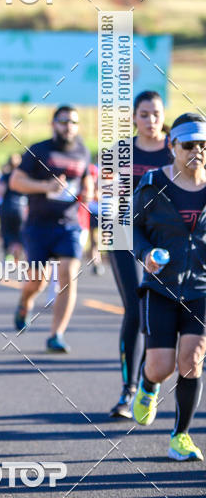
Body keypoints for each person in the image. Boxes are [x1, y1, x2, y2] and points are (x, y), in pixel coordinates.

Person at [132, 112, 206, 461]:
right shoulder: (151, 184)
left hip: (201, 291)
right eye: (189, 144)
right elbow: (129, 229)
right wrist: (145, 253)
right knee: (161, 366)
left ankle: (181, 436)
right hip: (161, 288)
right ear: (172, 145)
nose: (198, 150)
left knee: (191, 361)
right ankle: (147, 385)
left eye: (204, 144)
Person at [108, 91, 172, 419]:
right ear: (134, 117)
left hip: (164, 238)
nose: (150, 120)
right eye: (144, 114)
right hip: (124, 234)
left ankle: (152, 381)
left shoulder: (176, 149)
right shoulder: (120, 152)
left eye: (156, 114)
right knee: (134, 309)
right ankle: (127, 390)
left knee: (159, 309)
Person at [10, 105, 92, 353]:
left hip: (68, 225)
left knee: (69, 273)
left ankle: (56, 334)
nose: (69, 126)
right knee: (38, 283)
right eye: (64, 121)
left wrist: (88, 190)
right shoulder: (39, 150)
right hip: (38, 226)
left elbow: (86, 179)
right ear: (53, 123)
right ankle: (25, 300)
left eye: (73, 122)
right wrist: (46, 186)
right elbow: (16, 181)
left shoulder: (83, 151)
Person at [0, 154, 27, 263]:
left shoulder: (6, 176)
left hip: (6, 207)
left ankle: (8, 256)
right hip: (21, 207)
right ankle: (16, 257)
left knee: (7, 232)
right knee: (19, 233)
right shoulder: (24, 177)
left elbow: (0, 191)